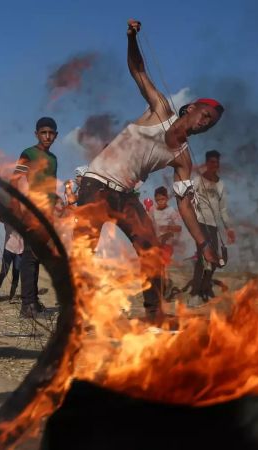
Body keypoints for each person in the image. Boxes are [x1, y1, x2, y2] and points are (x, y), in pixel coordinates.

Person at [75, 18, 224, 324]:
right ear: (192, 107)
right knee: (84, 251)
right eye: (205, 114)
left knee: (152, 252)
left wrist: (203, 243)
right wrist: (131, 38)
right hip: (96, 186)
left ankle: (154, 316)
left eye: (211, 122)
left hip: (127, 197)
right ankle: (73, 314)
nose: (205, 122)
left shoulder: (183, 158)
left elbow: (184, 205)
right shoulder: (161, 110)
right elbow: (137, 70)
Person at [12, 116, 59, 318]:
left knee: (37, 257)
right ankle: (27, 306)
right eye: (43, 132)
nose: (47, 136)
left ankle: (33, 302)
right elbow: (15, 179)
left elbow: (50, 187)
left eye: (51, 133)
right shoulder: (28, 153)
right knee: (30, 257)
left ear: (55, 135)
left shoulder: (54, 159)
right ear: (36, 134)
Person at [189, 150, 235, 305]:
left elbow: (223, 209)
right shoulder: (197, 180)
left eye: (217, 163)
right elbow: (187, 200)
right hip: (200, 225)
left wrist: (229, 228)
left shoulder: (221, 185)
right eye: (212, 162)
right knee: (203, 259)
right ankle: (194, 295)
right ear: (207, 163)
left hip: (213, 227)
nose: (214, 165)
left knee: (215, 260)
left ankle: (204, 287)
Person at [149, 186, 183, 264]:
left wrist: (168, 228)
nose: (160, 201)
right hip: (155, 241)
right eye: (158, 200)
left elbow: (179, 228)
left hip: (167, 242)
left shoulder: (171, 211)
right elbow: (148, 223)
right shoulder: (152, 209)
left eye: (162, 199)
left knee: (163, 262)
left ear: (167, 198)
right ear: (155, 199)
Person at [0, 223, 23, 302]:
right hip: (8, 248)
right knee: (4, 271)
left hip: (20, 250)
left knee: (16, 273)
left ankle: (12, 296)